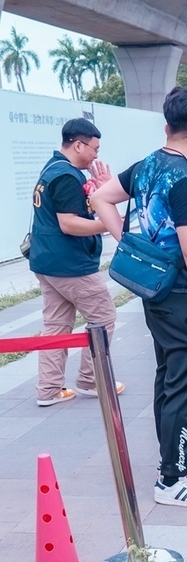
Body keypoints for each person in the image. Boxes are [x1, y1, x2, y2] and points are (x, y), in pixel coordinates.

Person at [91, 87, 187, 508]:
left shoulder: (146, 165)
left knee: (169, 376)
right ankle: (170, 481)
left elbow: (100, 197)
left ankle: (177, 460)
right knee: (185, 381)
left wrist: (134, 246)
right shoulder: (186, 179)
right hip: (182, 294)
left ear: (168, 125)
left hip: (153, 291)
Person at [29, 118, 123, 407]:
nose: (96, 154)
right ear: (78, 144)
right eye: (94, 148)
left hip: (47, 261)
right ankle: (91, 380)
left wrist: (97, 193)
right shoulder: (68, 176)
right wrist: (107, 223)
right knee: (103, 317)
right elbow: (69, 224)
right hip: (70, 265)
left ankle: (49, 389)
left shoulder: (52, 169)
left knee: (56, 325)